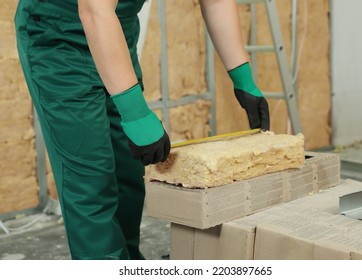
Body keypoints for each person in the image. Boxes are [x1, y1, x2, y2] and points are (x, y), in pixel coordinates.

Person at [14, 0, 269, 260]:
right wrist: (135, 113)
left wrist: (242, 77)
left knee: (128, 173)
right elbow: (94, 9)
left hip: (116, 37)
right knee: (91, 181)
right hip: (59, 40)